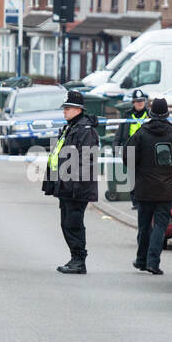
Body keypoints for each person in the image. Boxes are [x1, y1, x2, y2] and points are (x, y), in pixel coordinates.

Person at [43, 89, 100, 274]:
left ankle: (79, 261)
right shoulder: (71, 127)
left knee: (73, 224)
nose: (64, 111)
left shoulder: (85, 130)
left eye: (67, 108)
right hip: (66, 186)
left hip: (76, 188)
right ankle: (74, 258)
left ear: (78, 109)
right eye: (65, 108)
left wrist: (77, 186)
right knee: (66, 224)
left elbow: (87, 160)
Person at [128, 97, 172, 275]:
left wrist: (139, 168)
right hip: (165, 189)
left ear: (151, 112)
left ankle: (141, 260)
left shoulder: (141, 133)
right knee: (160, 226)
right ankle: (153, 263)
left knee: (144, 225)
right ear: (167, 114)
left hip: (144, 188)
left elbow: (128, 157)